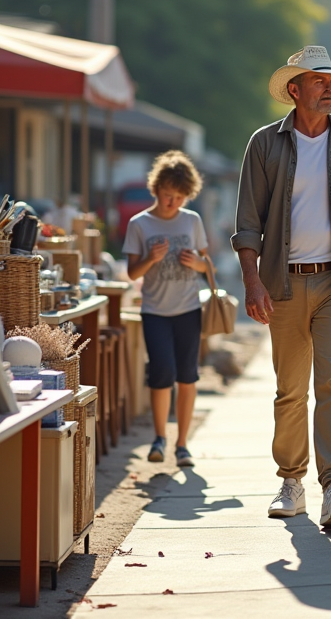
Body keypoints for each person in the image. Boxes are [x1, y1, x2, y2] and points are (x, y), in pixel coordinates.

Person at [233, 45, 331, 530]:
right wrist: (253, 281)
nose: (330, 88)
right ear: (294, 90)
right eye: (321, 81)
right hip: (281, 284)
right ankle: (291, 482)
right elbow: (247, 223)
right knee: (289, 391)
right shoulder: (264, 145)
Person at [123, 151, 210, 468]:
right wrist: (151, 259)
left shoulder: (192, 220)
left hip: (188, 309)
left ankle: (183, 444)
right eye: (167, 195)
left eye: (179, 197)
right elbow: (133, 273)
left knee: (188, 377)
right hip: (155, 311)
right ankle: (159, 438)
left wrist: (198, 263)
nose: (172, 202)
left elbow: (207, 265)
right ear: (155, 189)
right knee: (161, 374)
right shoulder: (139, 224)